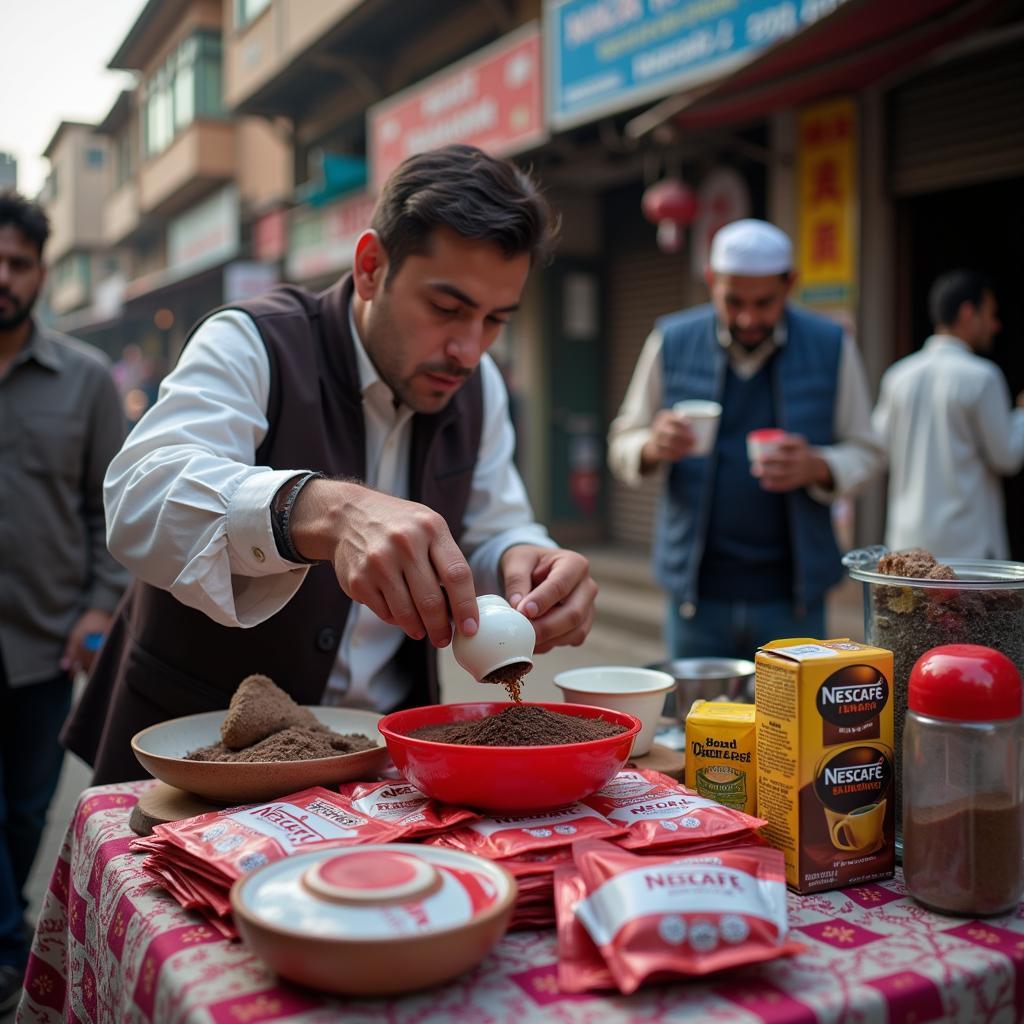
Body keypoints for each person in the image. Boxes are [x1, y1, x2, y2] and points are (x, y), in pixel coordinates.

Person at [64, 145, 598, 784]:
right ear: (371, 267)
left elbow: (490, 525)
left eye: (495, 321)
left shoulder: (479, 387)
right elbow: (138, 494)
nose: (468, 349)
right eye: (448, 309)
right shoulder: (254, 340)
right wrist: (321, 510)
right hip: (206, 763)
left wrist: (527, 562)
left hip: (382, 766)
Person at [608, 218, 882, 661]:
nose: (749, 318)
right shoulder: (672, 339)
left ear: (790, 284)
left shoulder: (831, 345)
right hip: (695, 596)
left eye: (764, 303)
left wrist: (818, 465)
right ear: (711, 281)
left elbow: (868, 450)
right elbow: (623, 438)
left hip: (794, 598)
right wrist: (651, 446)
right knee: (696, 725)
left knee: (795, 728)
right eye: (733, 301)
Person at [0, 192, 128, 1009]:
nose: (1, 278)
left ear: (43, 273)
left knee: (24, 815)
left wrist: (95, 609)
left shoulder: (83, 381)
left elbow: (112, 511)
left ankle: (4, 931)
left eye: (16, 263)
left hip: (42, 646)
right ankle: (9, 958)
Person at [872, 269, 1024, 559]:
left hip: (908, 547)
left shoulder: (898, 376)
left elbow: (877, 450)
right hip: (969, 551)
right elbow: (1007, 457)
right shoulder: (983, 377)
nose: (995, 325)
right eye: (990, 314)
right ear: (969, 313)